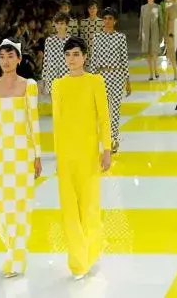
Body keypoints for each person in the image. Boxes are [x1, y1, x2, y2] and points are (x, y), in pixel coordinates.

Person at [0, 39, 42, 278]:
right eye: (2, 57)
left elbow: (33, 123)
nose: (5, 61)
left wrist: (37, 155)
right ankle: (12, 249)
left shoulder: (29, 85)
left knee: (21, 207)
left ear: (19, 59)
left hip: (22, 155)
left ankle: (16, 258)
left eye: (10, 56)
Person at [52, 36, 111, 280]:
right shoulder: (58, 85)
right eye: (68, 54)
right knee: (69, 210)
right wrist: (57, 156)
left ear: (85, 57)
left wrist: (106, 149)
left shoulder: (95, 81)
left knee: (88, 207)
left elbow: (104, 117)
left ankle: (91, 252)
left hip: (88, 154)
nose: (72, 59)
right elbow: (57, 122)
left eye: (76, 54)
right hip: (66, 155)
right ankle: (78, 262)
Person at [89, 8, 131, 154]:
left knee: (116, 109)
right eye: (105, 18)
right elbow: (93, 59)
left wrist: (127, 80)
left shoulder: (120, 37)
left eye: (110, 18)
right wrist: (91, 79)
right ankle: (106, 139)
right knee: (103, 110)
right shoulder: (97, 37)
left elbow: (124, 59)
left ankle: (114, 139)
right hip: (101, 76)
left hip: (117, 74)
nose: (107, 21)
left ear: (115, 21)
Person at [41, 11, 70, 95]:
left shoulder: (71, 41)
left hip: (66, 76)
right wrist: (43, 81)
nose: (59, 26)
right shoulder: (49, 41)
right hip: (51, 77)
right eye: (57, 23)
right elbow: (46, 61)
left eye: (62, 23)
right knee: (54, 102)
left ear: (66, 25)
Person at [139, 0, 161, 80]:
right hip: (146, 32)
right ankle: (151, 73)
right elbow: (141, 21)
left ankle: (156, 69)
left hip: (155, 32)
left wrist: (161, 35)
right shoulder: (143, 7)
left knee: (154, 52)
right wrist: (140, 34)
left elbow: (160, 22)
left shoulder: (158, 7)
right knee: (148, 53)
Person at [79, 0, 104, 67]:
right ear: (88, 9)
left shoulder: (102, 22)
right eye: (90, 8)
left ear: (97, 9)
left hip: (98, 51)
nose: (92, 10)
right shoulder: (83, 22)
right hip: (86, 51)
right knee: (86, 70)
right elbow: (81, 38)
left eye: (94, 8)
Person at [165, 0, 177, 81]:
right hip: (170, 34)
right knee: (171, 54)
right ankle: (175, 73)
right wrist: (165, 36)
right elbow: (165, 23)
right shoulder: (168, 9)